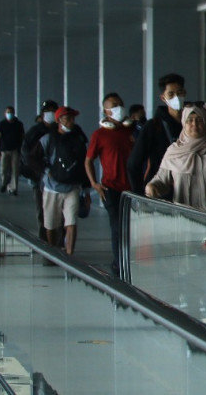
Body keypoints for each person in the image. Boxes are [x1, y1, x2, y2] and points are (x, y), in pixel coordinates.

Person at [145, 105, 206, 211]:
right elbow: (161, 180)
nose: (194, 124)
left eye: (199, 120)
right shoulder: (174, 151)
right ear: (183, 123)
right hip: (184, 218)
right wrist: (152, 187)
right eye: (189, 120)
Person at [85, 93, 135, 277]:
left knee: (128, 227)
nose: (119, 107)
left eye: (121, 104)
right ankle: (118, 263)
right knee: (117, 226)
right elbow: (88, 161)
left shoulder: (129, 132)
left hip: (130, 189)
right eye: (114, 105)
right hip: (110, 188)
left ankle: (127, 260)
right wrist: (94, 184)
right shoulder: (99, 135)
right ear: (106, 111)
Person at [39, 106, 89, 255]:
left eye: (73, 118)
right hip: (52, 189)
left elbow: (84, 164)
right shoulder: (48, 139)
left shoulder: (78, 139)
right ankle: (52, 251)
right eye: (68, 118)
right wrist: (47, 171)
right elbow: (34, 158)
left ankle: (69, 255)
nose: (71, 121)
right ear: (59, 120)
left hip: (72, 188)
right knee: (51, 224)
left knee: (71, 222)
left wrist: (86, 191)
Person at [127, 73, 187, 194]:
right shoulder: (153, 126)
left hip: (186, 189)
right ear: (163, 98)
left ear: (184, 93)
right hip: (160, 190)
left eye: (179, 92)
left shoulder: (191, 124)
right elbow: (134, 164)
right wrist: (139, 194)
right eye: (171, 94)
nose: (176, 97)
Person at [22, 100, 60, 239]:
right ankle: (43, 241)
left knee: (59, 212)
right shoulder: (34, 132)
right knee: (42, 210)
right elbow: (26, 154)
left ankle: (59, 241)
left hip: (58, 178)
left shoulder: (60, 130)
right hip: (38, 177)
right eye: (48, 111)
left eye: (53, 110)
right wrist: (39, 170)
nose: (50, 113)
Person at [0, 104, 24, 195]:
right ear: (5, 113)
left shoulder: (19, 124)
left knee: (15, 170)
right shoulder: (1, 124)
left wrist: (22, 149)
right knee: (4, 169)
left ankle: (14, 188)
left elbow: (22, 137)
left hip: (15, 150)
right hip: (4, 150)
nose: (9, 114)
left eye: (11, 112)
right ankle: (4, 183)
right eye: (8, 112)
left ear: (14, 113)